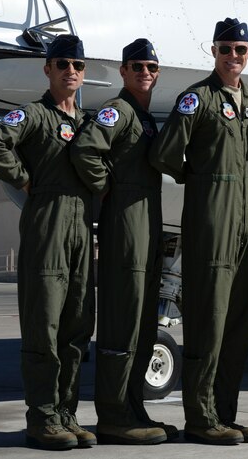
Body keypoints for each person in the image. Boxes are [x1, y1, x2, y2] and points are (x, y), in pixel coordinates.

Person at [0, 35, 96, 450]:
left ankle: (66, 413)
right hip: (48, 221)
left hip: (82, 226)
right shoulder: (32, 115)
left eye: (77, 65)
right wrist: (24, 179)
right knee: (44, 324)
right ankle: (42, 417)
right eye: (61, 63)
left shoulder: (88, 121)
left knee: (77, 324)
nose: (70, 71)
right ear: (48, 69)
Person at [149, 18, 248, 445]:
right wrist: (197, 179)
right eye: (226, 49)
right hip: (211, 222)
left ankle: (225, 415)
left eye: (240, 49)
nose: (233, 56)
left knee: (237, 325)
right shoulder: (195, 99)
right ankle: (201, 418)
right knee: (209, 322)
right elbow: (164, 154)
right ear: (214, 51)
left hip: (244, 225)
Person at [70, 38, 176, 445]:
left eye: (150, 66)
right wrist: (106, 189)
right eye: (136, 67)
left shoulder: (145, 118)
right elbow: (86, 148)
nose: (144, 72)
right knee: (124, 321)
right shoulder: (119, 111)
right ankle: (114, 415)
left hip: (147, 223)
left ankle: (134, 408)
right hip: (125, 223)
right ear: (123, 72)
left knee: (143, 324)